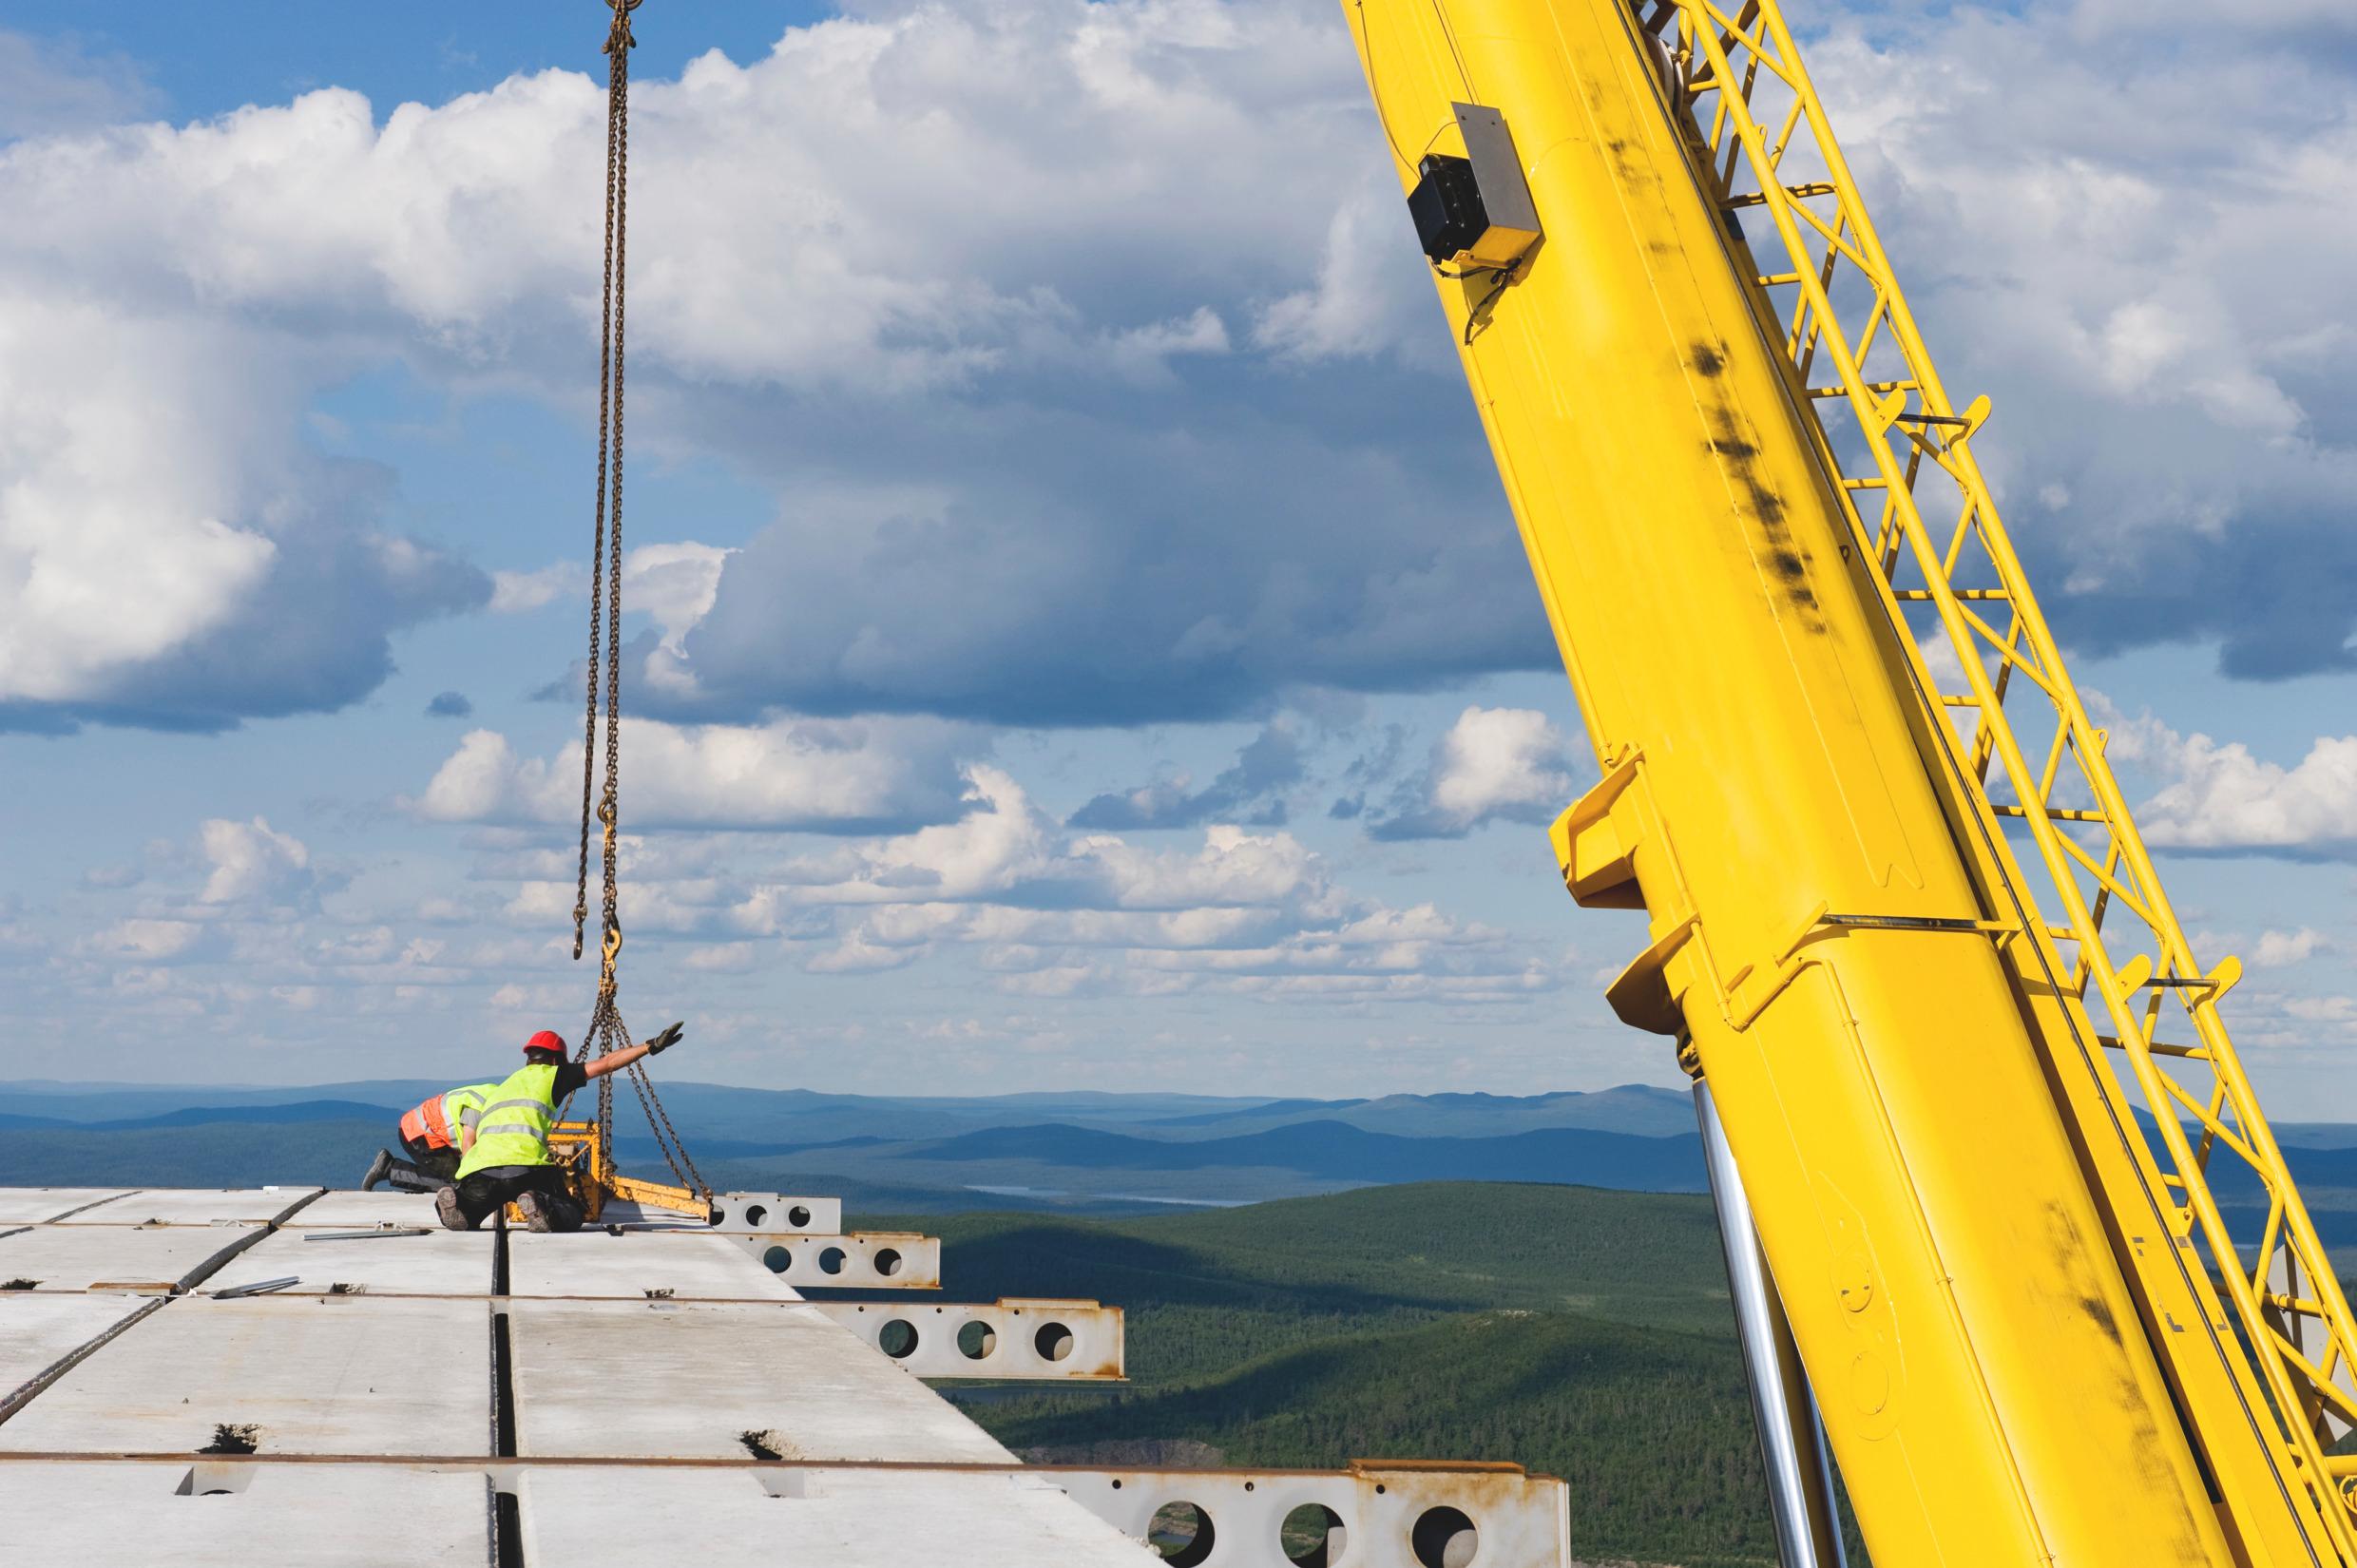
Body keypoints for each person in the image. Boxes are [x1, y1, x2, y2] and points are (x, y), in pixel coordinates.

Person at [437, 1022, 685, 1233]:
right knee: (571, 1212)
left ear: (528, 1057)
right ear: (556, 1059)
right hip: (526, 1167)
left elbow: (470, 1138)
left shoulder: (504, 1086)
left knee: (470, 1215)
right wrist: (649, 1046)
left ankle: (459, 1205)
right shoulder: (552, 1074)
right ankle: (541, 1205)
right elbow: (608, 1063)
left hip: (482, 1169)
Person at [360, 1081, 500, 1194]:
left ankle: (389, 1166)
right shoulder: (482, 1105)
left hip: (424, 1129)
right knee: (460, 1184)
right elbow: (468, 1147)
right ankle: (390, 1169)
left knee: (461, 1178)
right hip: (419, 1133)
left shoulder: (494, 1093)